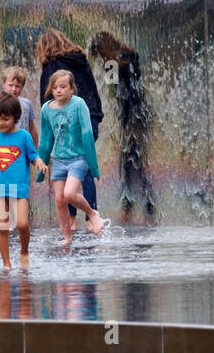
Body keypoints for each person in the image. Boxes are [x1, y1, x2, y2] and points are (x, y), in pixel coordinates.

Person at [36, 29, 102, 228]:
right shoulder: (80, 60)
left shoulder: (51, 66)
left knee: (66, 164)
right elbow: (93, 89)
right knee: (85, 167)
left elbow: (46, 99)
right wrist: (96, 115)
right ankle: (91, 218)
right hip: (89, 116)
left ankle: (72, 219)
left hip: (65, 121)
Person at [89, 30, 156, 221]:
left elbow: (116, 93)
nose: (100, 60)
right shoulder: (130, 56)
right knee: (134, 162)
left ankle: (143, 209)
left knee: (132, 163)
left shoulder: (113, 63)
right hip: (139, 113)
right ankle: (136, 207)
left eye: (99, 55)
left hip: (133, 117)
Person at [36, 70, 108, 246]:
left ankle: (91, 213)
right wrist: (41, 167)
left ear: (72, 88)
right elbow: (45, 139)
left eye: (63, 87)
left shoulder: (79, 105)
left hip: (78, 158)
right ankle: (67, 237)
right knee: (60, 200)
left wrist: (94, 167)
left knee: (69, 194)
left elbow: (87, 135)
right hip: (59, 160)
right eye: (55, 87)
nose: (59, 90)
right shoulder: (47, 109)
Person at [0, 93, 47, 269]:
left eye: (6, 119)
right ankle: (6, 263)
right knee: (2, 227)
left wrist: (39, 162)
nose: (1, 123)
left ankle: (24, 251)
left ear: (16, 117)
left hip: (19, 187)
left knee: (22, 224)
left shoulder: (24, 136)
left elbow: (33, 155)